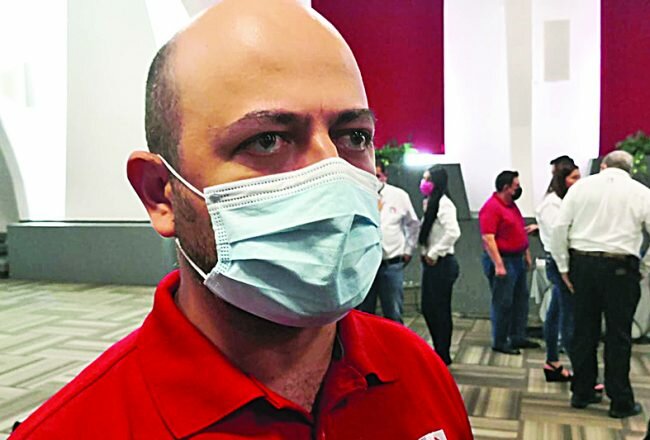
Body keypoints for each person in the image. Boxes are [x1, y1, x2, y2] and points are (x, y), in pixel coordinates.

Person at [10, 1, 472, 438]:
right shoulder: (76, 429)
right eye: (267, 140)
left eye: (354, 136)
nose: (331, 174)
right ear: (160, 193)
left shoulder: (418, 370)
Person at [551, 150, 649, 418]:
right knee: (618, 336)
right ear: (629, 169)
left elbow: (560, 229)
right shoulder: (641, 192)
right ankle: (620, 401)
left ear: (603, 166)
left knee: (584, 332)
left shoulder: (580, 188)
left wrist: (563, 267)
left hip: (583, 265)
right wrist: (644, 266)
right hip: (621, 268)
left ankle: (582, 392)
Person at [479, 170, 540, 355]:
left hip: (517, 258)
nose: (519, 189)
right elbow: (488, 238)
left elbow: (519, 230)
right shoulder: (491, 208)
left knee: (520, 301)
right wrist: (498, 264)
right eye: (516, 186)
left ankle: (517, 336)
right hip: (503, 259)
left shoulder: (511, 206)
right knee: (503, 303)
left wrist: (526, 253)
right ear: (506, 188)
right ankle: (500, 341)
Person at [357, 160, 420, 323]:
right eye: (370, 175)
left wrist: (408, 249)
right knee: (364, 315)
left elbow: (413, 224)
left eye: (377, 176)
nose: (374, 180)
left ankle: (395, 340)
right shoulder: (358, 195)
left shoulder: (399, 196)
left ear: (385, 176)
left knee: (393, 312)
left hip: (391, 264)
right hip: (365, 265)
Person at [535, 159, 580, 381]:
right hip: (560, 262)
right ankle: (582, 373)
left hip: (562, 260)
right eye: (573, 178)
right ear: (562, 180)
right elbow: (557, 238)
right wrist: (565, 270)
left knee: (555, 312)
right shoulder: (552, 204)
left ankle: (552, 361)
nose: (578, 182)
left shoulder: (565, 201)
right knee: (568, 317)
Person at [418, 166, 461, 365]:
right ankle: (438, 349)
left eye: (428, 179)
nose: (424, 183)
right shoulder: (429, 202)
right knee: (429, 308)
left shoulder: (444, 204)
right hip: (431, 264)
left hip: (442, 264)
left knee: (440, 309)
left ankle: (443, 353)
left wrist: (434, 253)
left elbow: (453, 232)